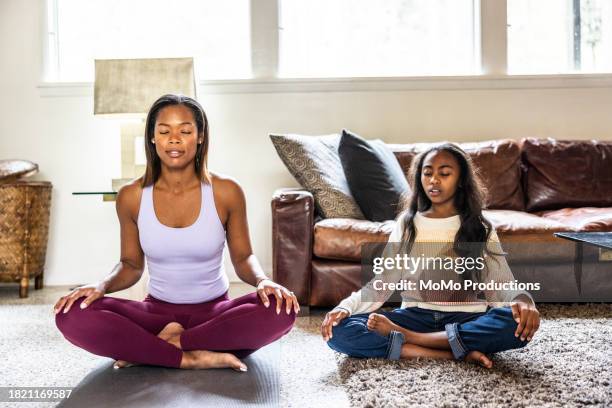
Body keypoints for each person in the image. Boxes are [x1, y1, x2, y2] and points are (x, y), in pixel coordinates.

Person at [55, 94, 297, 372]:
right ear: (152, 138)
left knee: (282, 308)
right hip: (155, 314)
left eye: (184, 131)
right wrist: (100, 287)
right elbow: (131, 265)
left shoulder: (227, 191)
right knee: (71, 314)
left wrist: (264, 281)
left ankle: (155, 349)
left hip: (215, 316)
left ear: (200, 136)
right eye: (164, 131)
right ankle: (192, 356)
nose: (174, 139)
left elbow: (243, 258)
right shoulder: (131, 196)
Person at [321, 143, 540, 368]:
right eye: (428, 173)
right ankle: (455, 352)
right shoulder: (407, 224)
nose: (434, 180)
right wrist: (344, 308)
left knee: (512, 324)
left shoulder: (480, 227)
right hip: (416, 317)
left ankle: (409, 341)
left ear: (462, 180)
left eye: (444, 173)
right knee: (338, 331)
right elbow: (383, 283)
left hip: (465, 319)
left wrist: (522, 301)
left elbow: (500, 284)